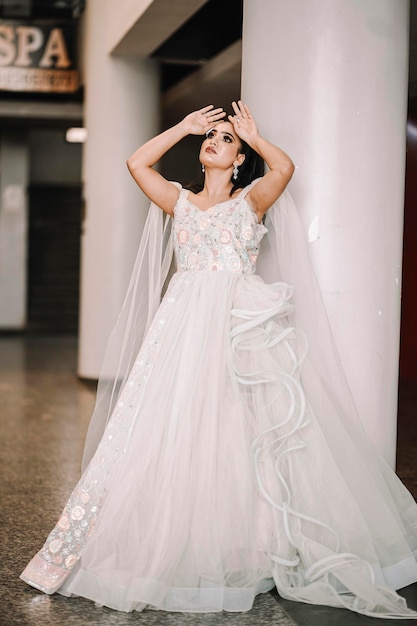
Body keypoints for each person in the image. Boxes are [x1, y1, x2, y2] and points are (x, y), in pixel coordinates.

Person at [21, 102, 417, 619]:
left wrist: (253, 135)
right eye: (211, 137)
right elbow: (138, 163)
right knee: (174, 425)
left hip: (237, 324)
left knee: (242, 428)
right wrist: (182, 128)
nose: (214, 141)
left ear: (237, 159)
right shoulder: (179, 202)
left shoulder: (251, 200)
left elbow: (284, 170)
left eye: (224, 139)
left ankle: (251, 544)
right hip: (182, 327)